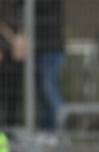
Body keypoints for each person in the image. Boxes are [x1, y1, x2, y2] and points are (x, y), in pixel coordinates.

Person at [34, 0, 65, 130]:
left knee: (49, 88)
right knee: (42, 91)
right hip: (40, 49)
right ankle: (47, 129)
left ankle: (60, 129)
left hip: (51, 49)